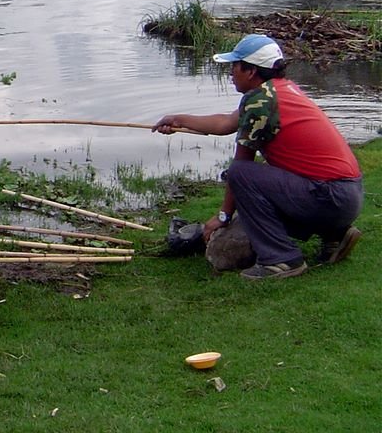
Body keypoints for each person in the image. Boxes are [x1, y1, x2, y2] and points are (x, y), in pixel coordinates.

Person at [153, 33, 363, 280]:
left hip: (329, 197)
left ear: (250, 71)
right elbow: (226, 122)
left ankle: (281, 260)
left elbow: (242, 164)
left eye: (235, 66)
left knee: (241, 174)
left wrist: (222, 217)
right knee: (259, 178)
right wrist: (178, 120)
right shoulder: (278, 91)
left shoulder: (260, 102)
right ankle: (334, 235)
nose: (231, 72)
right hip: (347, 196)